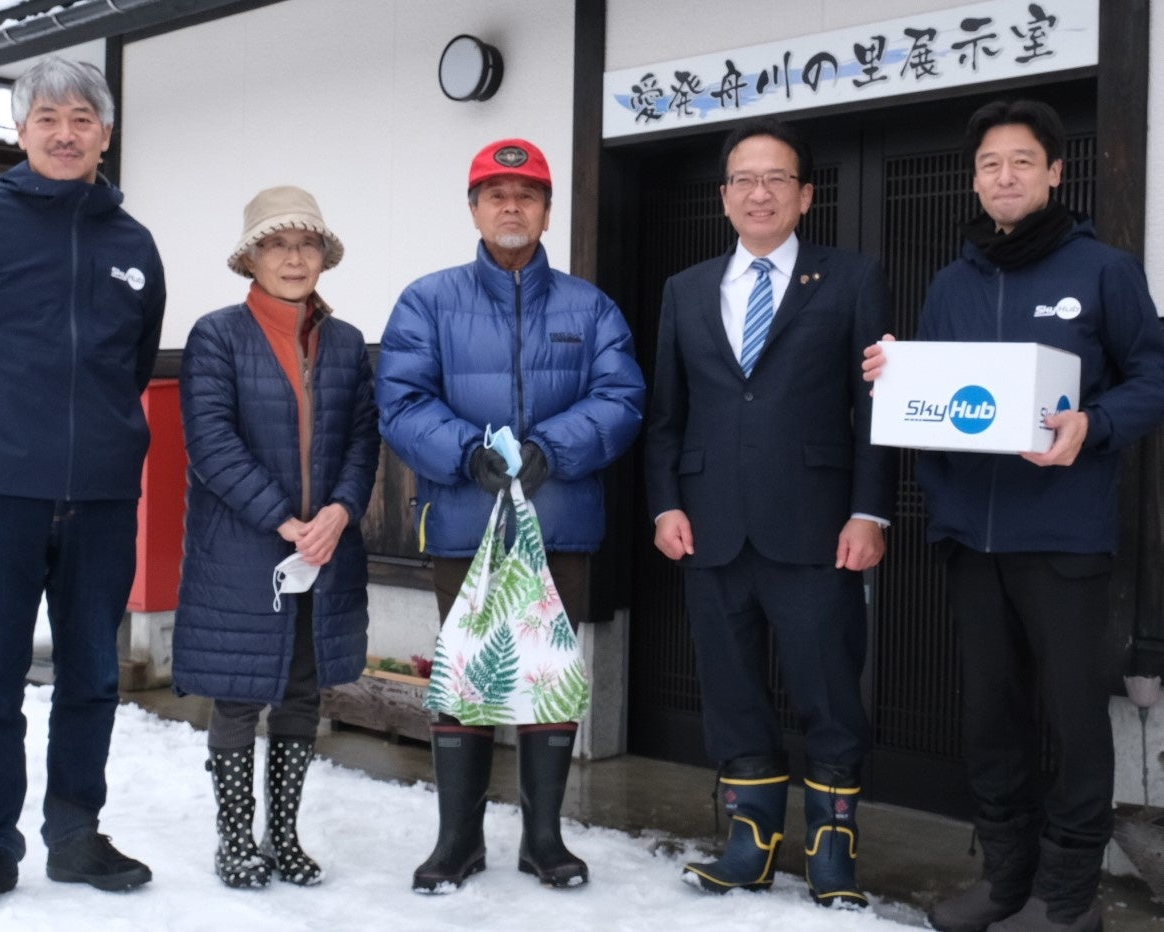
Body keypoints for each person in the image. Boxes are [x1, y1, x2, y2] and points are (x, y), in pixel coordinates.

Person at [863, 100, 1164, 932]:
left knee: (1073, 718)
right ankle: (1005, 880)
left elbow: (1152, 377)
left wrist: (1093, 424)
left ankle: (1067, 900)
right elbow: (931, 398)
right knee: (990, 717)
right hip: (971, 539)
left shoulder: (1103, 271)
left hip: (1064, 539)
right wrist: (895, 377)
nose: (1005, 176)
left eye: (1023, 161)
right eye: (990, 163)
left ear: (1055, 172)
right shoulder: (952, 282)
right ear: (974, 178)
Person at [0, 56, 166, 909]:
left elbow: (133, 363)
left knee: (93, 673)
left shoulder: (132, 244)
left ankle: (75, 832)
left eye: (82, 119)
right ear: (21, 131)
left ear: (106, 133)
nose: (66, 134)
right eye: (48, 119)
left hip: (101, 495)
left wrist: (99, 446)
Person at [377, 138, 645, 892]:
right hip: (466, 524)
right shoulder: (428, 300)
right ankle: (457, 840)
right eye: (496, 195)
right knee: (466, 673)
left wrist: (553, 448)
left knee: (548, 674)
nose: (511, 207)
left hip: (559, 522)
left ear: (548, 211)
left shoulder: (591, 307)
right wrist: (466, 452)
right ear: (474, 209)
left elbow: (622, 398)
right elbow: (401, 401)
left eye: (527, 195)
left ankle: (544, 840)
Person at [644, 116, 897, 908]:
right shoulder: (685, 289)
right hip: (709, 524)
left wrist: (870, 513)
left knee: (829, 686)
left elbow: (875, 408)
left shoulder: (851, 278)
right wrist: (664, 504)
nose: (760, 193)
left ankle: (831, 848)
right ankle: (749, 840)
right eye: (745, 180)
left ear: (806, 195)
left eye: (777, 178)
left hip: (819, 524)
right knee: (730, 688)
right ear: (724, 196)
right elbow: (666, 415)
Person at [171, 186, 379, 889]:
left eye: (307, 244)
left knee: (301, 690)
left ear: (323, 257)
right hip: (242, 548)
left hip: (325, 548)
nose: (294, 258)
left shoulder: (345, 342)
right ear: (250, 258)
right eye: (277, 244)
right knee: (238, 692)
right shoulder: (217, 335)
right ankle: (235, 841)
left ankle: (283, 838)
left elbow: (362, 440)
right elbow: (211, 442)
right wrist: (285, 520)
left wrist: (340, 511)